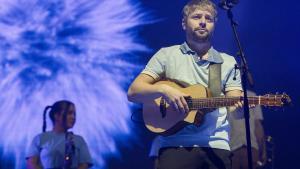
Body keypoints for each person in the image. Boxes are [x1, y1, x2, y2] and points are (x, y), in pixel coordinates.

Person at [127, 0, 243, 169]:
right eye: (196, 17)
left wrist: (240, 108)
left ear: (214, 25)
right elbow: (133, 92)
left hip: (217, 147)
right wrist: (164, 90)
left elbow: (234, 106)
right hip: (174, 145)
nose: (203, 21)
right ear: (184, 23)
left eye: (209, 19)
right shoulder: (166, 55)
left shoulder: (225, 61)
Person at [26, 100, 93, 169]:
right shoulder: (40, 139)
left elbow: (84, 165)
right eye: (69, 113)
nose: (73, 117)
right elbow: (32, 164)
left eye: (74, 114)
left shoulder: (79, 140)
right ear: (57, 115)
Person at [229, 90, 267, 169]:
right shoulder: (252, 96)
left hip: (232, 151)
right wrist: (262, 150)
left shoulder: (222, 98)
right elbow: (258, 126)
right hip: (250, 149)